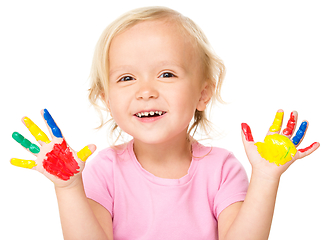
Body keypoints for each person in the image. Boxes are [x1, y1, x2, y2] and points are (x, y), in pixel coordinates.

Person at [10, 6, 319, 240]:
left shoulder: (222, 169)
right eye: (127, 78)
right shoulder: (104, 169)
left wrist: (265, 177)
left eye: (166, 74)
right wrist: (68, 189)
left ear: (202, 93)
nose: (146, 91)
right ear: (106, 99)